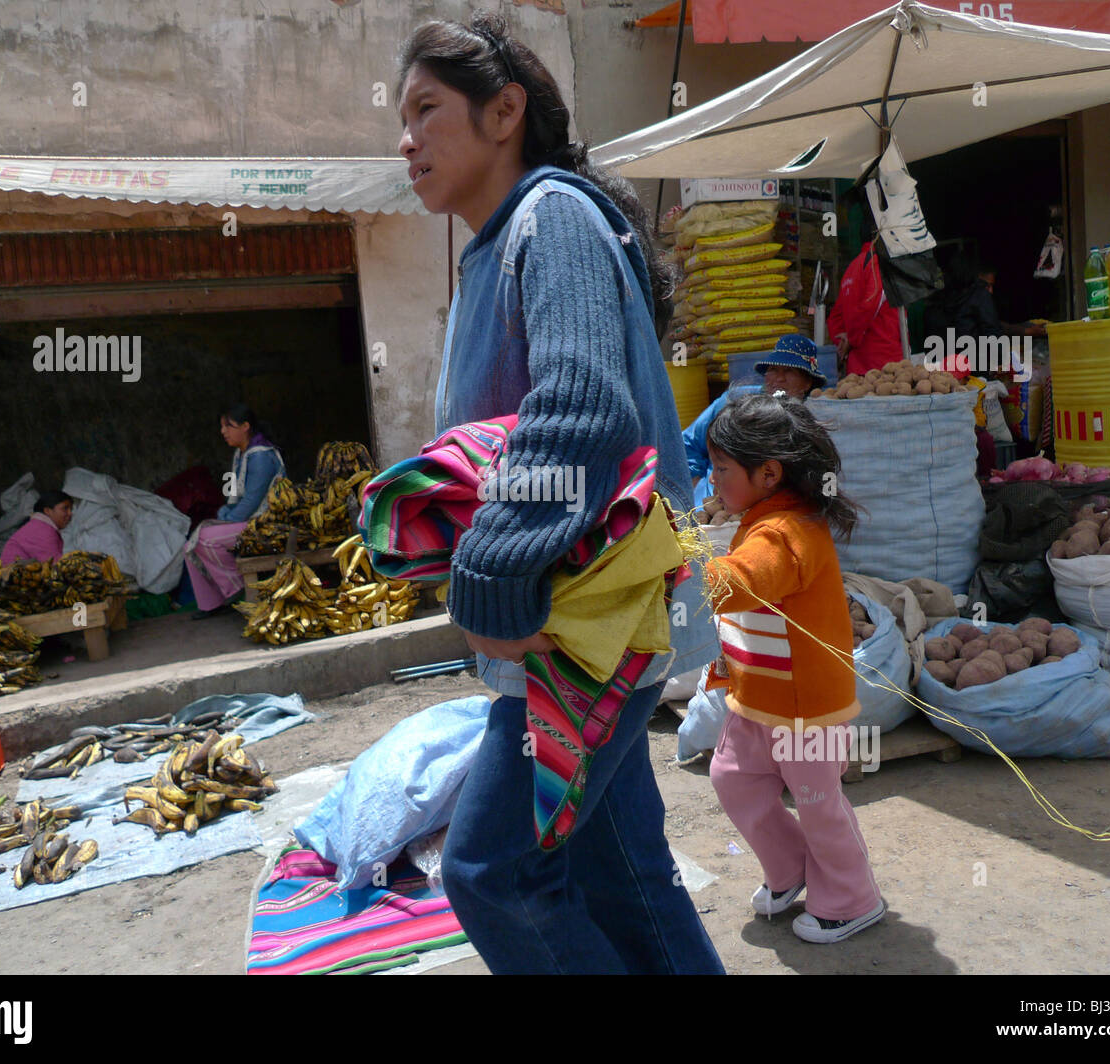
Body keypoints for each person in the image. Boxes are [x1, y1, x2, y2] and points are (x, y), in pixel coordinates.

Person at [396, 11, 723, 974]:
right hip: (593, 625)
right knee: (623, 875)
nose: (405, 139)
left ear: (504, 113)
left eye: (425, 109)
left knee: (494, 872)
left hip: (582, 632)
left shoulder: (552, 215)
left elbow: (582, 407)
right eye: (399, 117)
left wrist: (490, 567)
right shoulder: (498, 244)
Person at [703, 393, 886, 943]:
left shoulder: (787, 531)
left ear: (768, 473)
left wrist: (683, 566)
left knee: (817, 804)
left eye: (721, 469)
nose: (713, 481)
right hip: (758, 695)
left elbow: (744, 582)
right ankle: (790, 870)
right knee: (732, 778)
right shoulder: (760, 517)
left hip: (807, 706)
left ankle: (854, 898)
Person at [683, 335, 826, 506]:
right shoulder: (735, 399)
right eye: (773, 369)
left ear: (807, 382)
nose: (779, 378)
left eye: (790, 371)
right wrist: (696, 484)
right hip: (710, 505)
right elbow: (688, 443)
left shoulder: (807, 420)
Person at [183, 404, 285, 620]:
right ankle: (211, 603)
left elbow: (250, 502)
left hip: (266, 523)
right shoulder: (241, 455)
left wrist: (226, 519)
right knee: (190, 544)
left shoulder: (260, 456)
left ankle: (238, 589)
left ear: (246, 426)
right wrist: (224, 514)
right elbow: (233, 495)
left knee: (205, 539)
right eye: (222, 426)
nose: (223, 431)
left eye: (228, 426)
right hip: (245, 520)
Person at [829, 232, 903, 376]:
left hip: (857, 366)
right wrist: (851, 339)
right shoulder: (878, 263)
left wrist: (842, 342)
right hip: (884, 363)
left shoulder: (851, 268)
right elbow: (871, 303)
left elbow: (835, 317)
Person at [1, 490, 72, 565]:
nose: (70, 513)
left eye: (71, 509)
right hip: (16, 574)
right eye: (65, 508)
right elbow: (56, 566)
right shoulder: (42, 531)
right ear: (47, 511)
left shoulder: (39, 526)